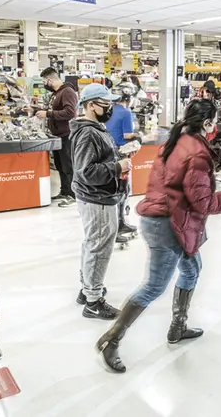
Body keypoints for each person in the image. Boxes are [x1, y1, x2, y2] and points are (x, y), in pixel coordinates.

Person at [95, 99, 221, 373]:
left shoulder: (177, 140)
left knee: (192, 268)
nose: (215, 126)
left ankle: (178, 326)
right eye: (214, 121)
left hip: (173, 219)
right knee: (155, 285)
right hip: (168, 224)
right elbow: (205, 203)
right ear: (207, 123)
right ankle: (112, 339)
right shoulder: (197, 154)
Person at [70, 84, 131, 319]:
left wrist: (118, 156)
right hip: (97, 198)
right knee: (98, 247)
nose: (110, 108)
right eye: (105, 104)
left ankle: (87, 290)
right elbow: (85, 171)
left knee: (92, 243)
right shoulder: (88, 132)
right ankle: (93, 301)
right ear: (91, 105)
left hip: (97, 196)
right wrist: (117, 166)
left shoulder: (96, 128)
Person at [105, 82, 140, 241]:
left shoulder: (109, 110)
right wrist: (139, 137)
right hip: (121, 154)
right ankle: (116, 227)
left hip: (108, 153)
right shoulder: (126, 112)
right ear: (129, 97)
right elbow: (127, 136)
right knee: (122, 190)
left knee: (116, 190)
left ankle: (120, 222)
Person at [39, 67, 78, 207]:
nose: (45, 84)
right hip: (57, 135)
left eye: (45, 81)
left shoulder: (67, 92)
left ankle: (74, 195)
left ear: (50, 80)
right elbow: (53, 110)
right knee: (60, 165)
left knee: (68, 165)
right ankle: (65, 190)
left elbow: (70, 113)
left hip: (66, 135)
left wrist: (48, 114)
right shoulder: (56, 93)